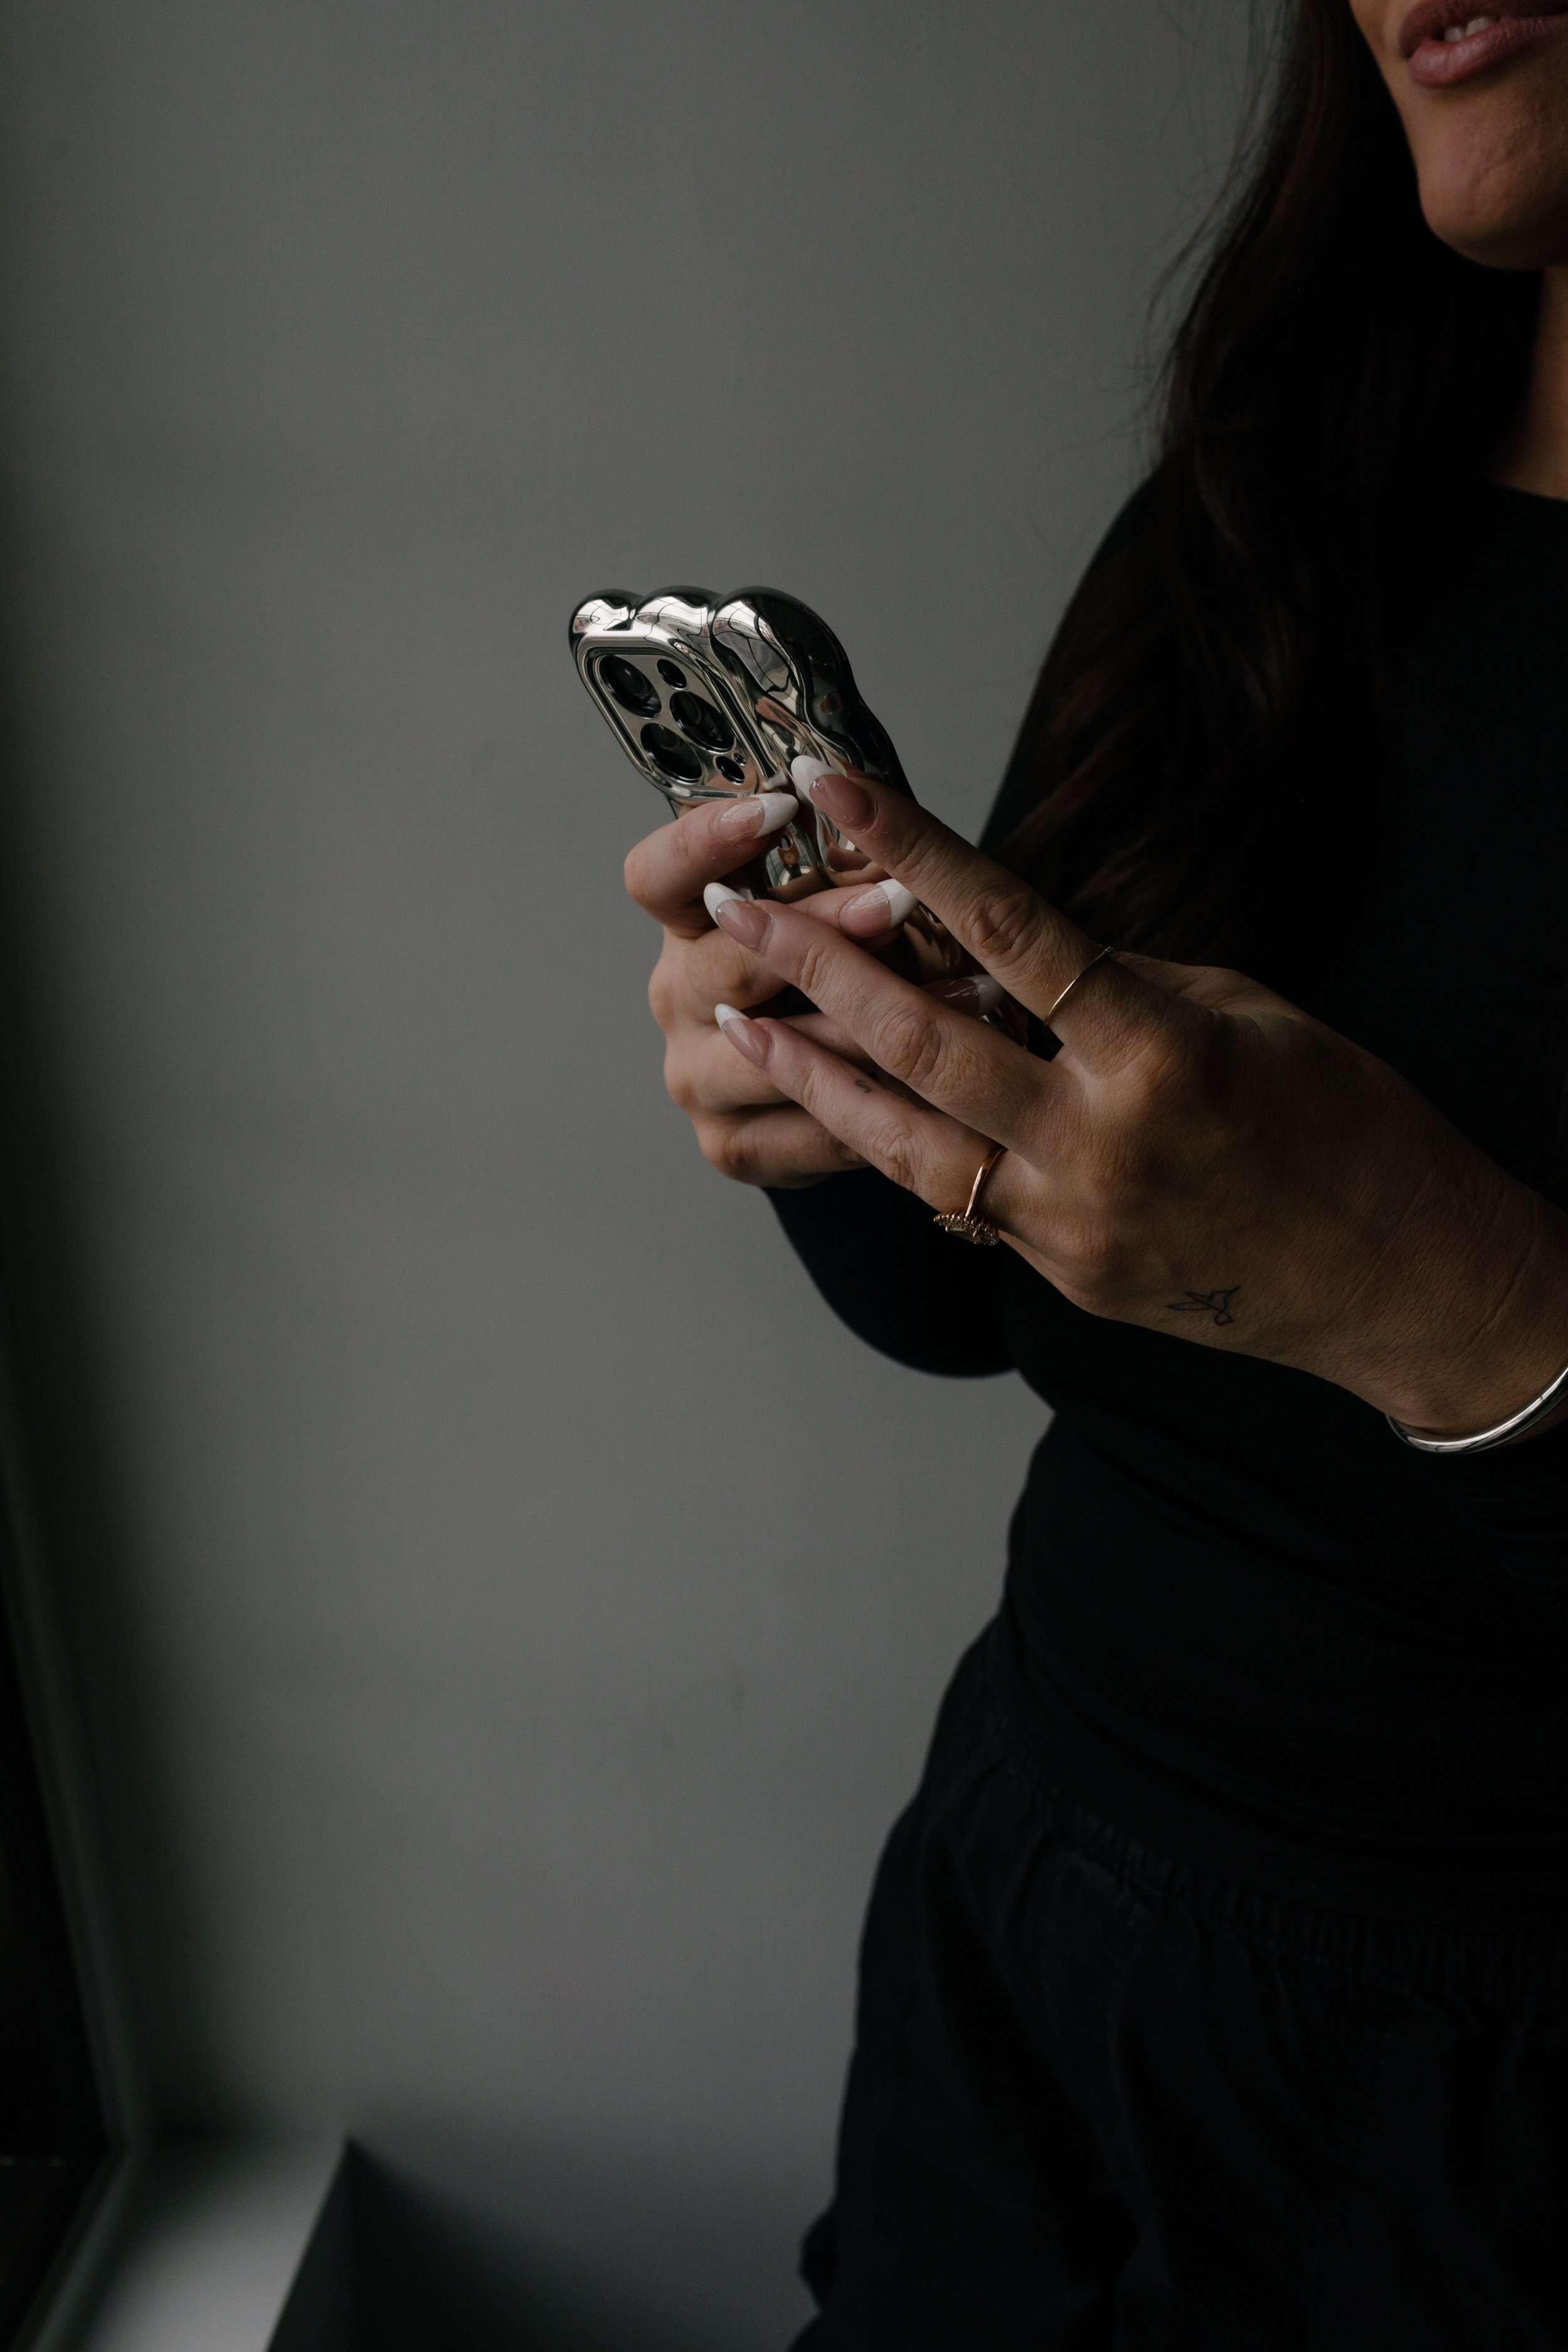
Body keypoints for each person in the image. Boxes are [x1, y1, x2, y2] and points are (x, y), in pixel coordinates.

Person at [623, 2, 1568, 2342]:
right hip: (1028, 1906)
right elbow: (980, 1315)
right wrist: (846, 1103)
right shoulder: (1276, 492)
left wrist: (1450, 1303)